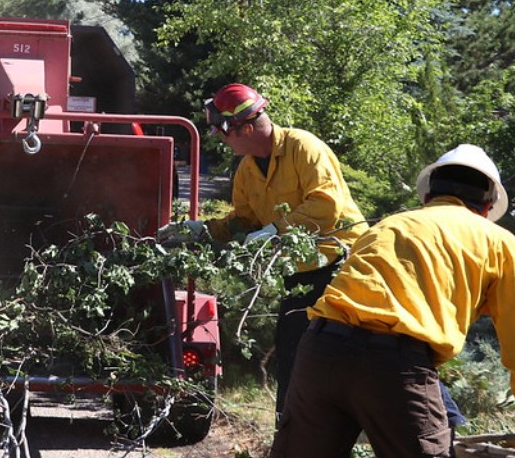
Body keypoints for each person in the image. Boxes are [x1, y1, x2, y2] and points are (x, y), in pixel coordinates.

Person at [270, 144, 515, 458]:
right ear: (488, 206)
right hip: (394, 365)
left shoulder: (388, 226)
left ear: (427, 197)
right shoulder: (500, 243)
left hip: (319, 351)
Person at [157, 83, 368, 417]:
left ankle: (304, 430)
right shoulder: (247, 170)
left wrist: (276, 230)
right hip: (301, 270)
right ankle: (292, 432)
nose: (220, 140)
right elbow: (244, 221)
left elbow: (326, 205)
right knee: (293, 353)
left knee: (315, 354)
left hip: (343, 262)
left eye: (223, 132)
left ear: (245, 128)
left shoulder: (303, 147)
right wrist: (201, 231)